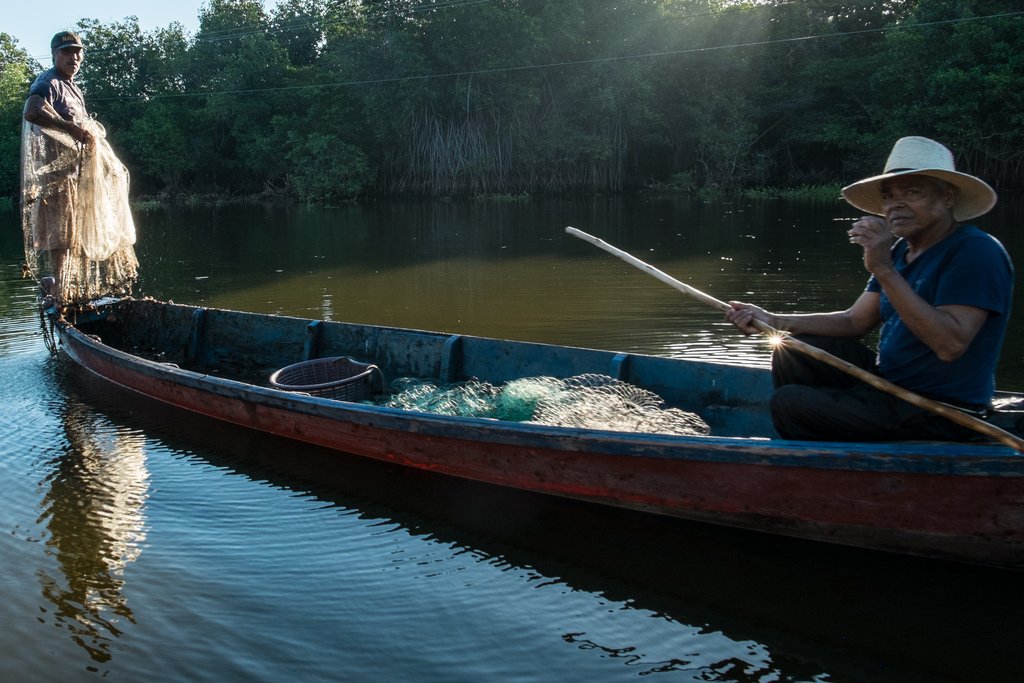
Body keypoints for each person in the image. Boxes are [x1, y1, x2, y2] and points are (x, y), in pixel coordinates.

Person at [725, 136, 1013, 442]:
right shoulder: (902, 251)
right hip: (891, 386)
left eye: (912, 192)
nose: (895, 204)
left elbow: (950, 345)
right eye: (888, 196)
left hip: (939, 410)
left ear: (948, 197)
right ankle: (839, 439)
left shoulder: (975, 252)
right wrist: (772, 319)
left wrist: (884, 269)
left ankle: (831, 457)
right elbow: (855, 321)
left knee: (790, 404)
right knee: (797, 350)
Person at [22, 30, 95, 293]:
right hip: (55, 178)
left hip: (74, 176)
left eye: (77, 52)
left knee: (75, 236)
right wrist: (70, 128)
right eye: (66, 52)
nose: (73, 57)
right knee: (61, 238)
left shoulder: (74, 88)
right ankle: (59, 291)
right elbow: (33, 111)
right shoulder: (48, 82)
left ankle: (66, 288)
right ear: (55, 55)